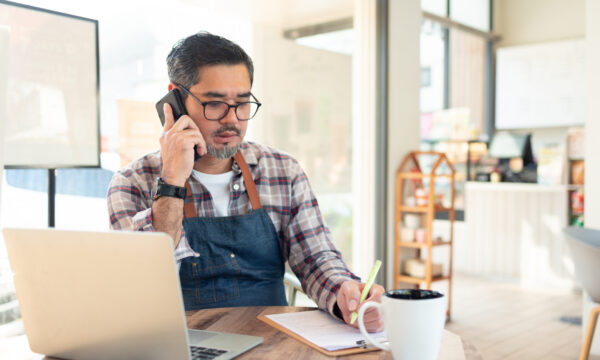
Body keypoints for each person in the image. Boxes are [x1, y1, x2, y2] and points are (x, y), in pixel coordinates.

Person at [107, 32, 384, 332]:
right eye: (214, 103)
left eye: (242, 103)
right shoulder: (132, 183)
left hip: (273, 347)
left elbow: (317, 260)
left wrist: (344, 291)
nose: (232, 120)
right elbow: (139, 285)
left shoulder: (282, 171)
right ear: (175, 99)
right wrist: (172, 181)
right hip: (180, 347)